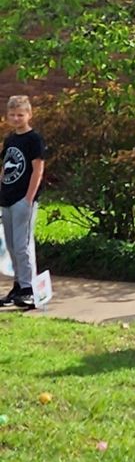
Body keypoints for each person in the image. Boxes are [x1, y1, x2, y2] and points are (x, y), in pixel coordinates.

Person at [1, 93, 45, 312]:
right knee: (10, 246)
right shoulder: (10, 140)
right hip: (7, 198)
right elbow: (6, 166)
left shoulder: (33, 139)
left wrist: (29, 198)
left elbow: (38, 168)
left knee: (23, 246)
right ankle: (18, 286)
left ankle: (29, 289)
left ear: (29, 114)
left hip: (23, 200)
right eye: (12, 115)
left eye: (20, 114)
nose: (17, 118)